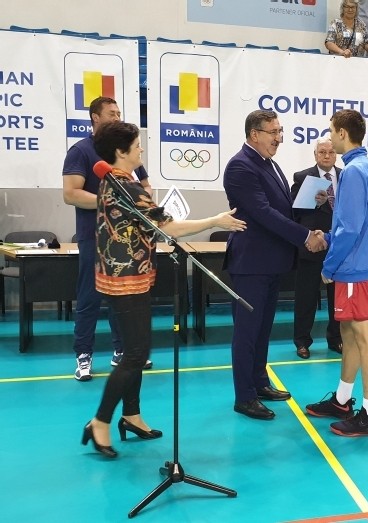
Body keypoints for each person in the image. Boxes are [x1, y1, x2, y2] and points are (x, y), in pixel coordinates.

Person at [81, 121, 246, 458]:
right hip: (125, 281)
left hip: (124, 277)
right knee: (135, 355)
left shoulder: (114, 180)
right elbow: (170, 228)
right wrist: (215, 221)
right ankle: (100, 421)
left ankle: (132, 415)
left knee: (135, 350)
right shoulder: (126, 186)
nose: (141, 149)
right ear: (121, 152)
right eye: (136, 145)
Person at [223, 110, 327, 421]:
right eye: (273, 132)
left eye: (280, 131)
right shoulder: (241, 166)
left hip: (271, 262)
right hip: (251, 263)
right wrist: (305, 236)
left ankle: (259, 382)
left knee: (262, 329)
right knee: (247, 332)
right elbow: (262, 213)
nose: (279, 138)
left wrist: (310, 202)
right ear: (254, 134)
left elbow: (281, 208)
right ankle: (244, 397)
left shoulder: (269, 163)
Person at [305, 109, 368, 437]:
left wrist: (329, 265)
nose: (330, 138)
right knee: (349, 333)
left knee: (364, 336)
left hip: (353, 267)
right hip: (361, 263)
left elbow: (350, 228)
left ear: (341, 133)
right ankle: (341, 400)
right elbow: (353, 222)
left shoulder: (353, 171)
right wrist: (330, 236)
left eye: (331, 132)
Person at [62, 96, 152, 382]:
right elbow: (71, 194)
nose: (117, 117)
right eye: (111, 113)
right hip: (95, 236)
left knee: (122, 298)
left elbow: (145, 186)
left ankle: (121, 349)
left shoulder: (125, 150)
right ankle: (83, 354)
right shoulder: (81, 151)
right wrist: (112, 201)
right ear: (95, 117)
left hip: (128, 239)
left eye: (119, 112)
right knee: (90, 296)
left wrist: (142, 201)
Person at [289, 137, 343, 360]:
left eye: (331, 152)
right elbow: (293, 213)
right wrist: (315, 203)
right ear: (315, 154)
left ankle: (336, 339)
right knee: (306, 298)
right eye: (322, 152)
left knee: (337, 299)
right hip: (312, 246)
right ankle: (302, 341)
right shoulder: (303, 177)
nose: (327, 156)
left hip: (338, 247)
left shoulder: (345, 176)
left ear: (336, 154)